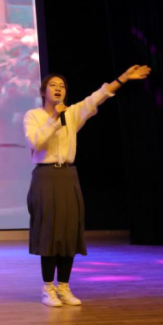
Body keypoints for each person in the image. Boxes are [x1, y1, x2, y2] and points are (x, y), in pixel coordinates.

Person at [24, 64, 151, 307]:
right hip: (45, 176)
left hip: (68, 175)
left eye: (62, 86)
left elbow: (98, 96)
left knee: (69, 232)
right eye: (53, 85)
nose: (58, 88)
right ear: (43, 92)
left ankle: (64, 287)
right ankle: (48, 288)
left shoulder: (72, 113)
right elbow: (36, 142)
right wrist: (54, 118)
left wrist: (123, 78)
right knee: (50, 233)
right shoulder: (33, 116)